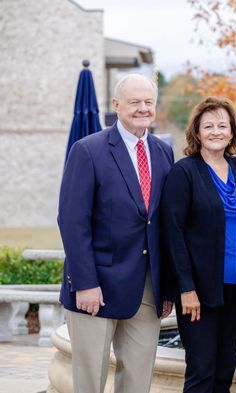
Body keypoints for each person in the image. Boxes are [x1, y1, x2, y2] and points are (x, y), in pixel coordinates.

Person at [58, 73, 174, 393]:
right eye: (134, 102)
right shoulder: (88, 150)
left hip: (148, 289)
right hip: (96, 287)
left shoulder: (164, 154)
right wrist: (85, 283)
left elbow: (163, 223)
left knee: (138, 380)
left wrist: (167, 286)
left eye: (148, 102)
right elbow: (72, 221)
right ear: (116, 104)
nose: (142, 108)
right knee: (90, 381)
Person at [160, 97, 236, 393]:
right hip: (198, 292)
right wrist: (185, 289)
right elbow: (173, 234)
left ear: (231, 132)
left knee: (224, 372)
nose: (216, 131)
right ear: (197, 132)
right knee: (201, 372)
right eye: (208, 126)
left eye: (222, 125)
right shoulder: (184, 172)